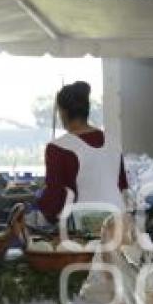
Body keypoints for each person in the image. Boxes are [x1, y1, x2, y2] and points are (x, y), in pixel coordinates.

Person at [37, 81, 128, 230]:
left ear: (63, 112)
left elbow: (54, 200)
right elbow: (122, 186)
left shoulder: (59, 148)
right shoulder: (113, 141)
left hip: (85, 228)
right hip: (120, 223)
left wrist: (38, 208)